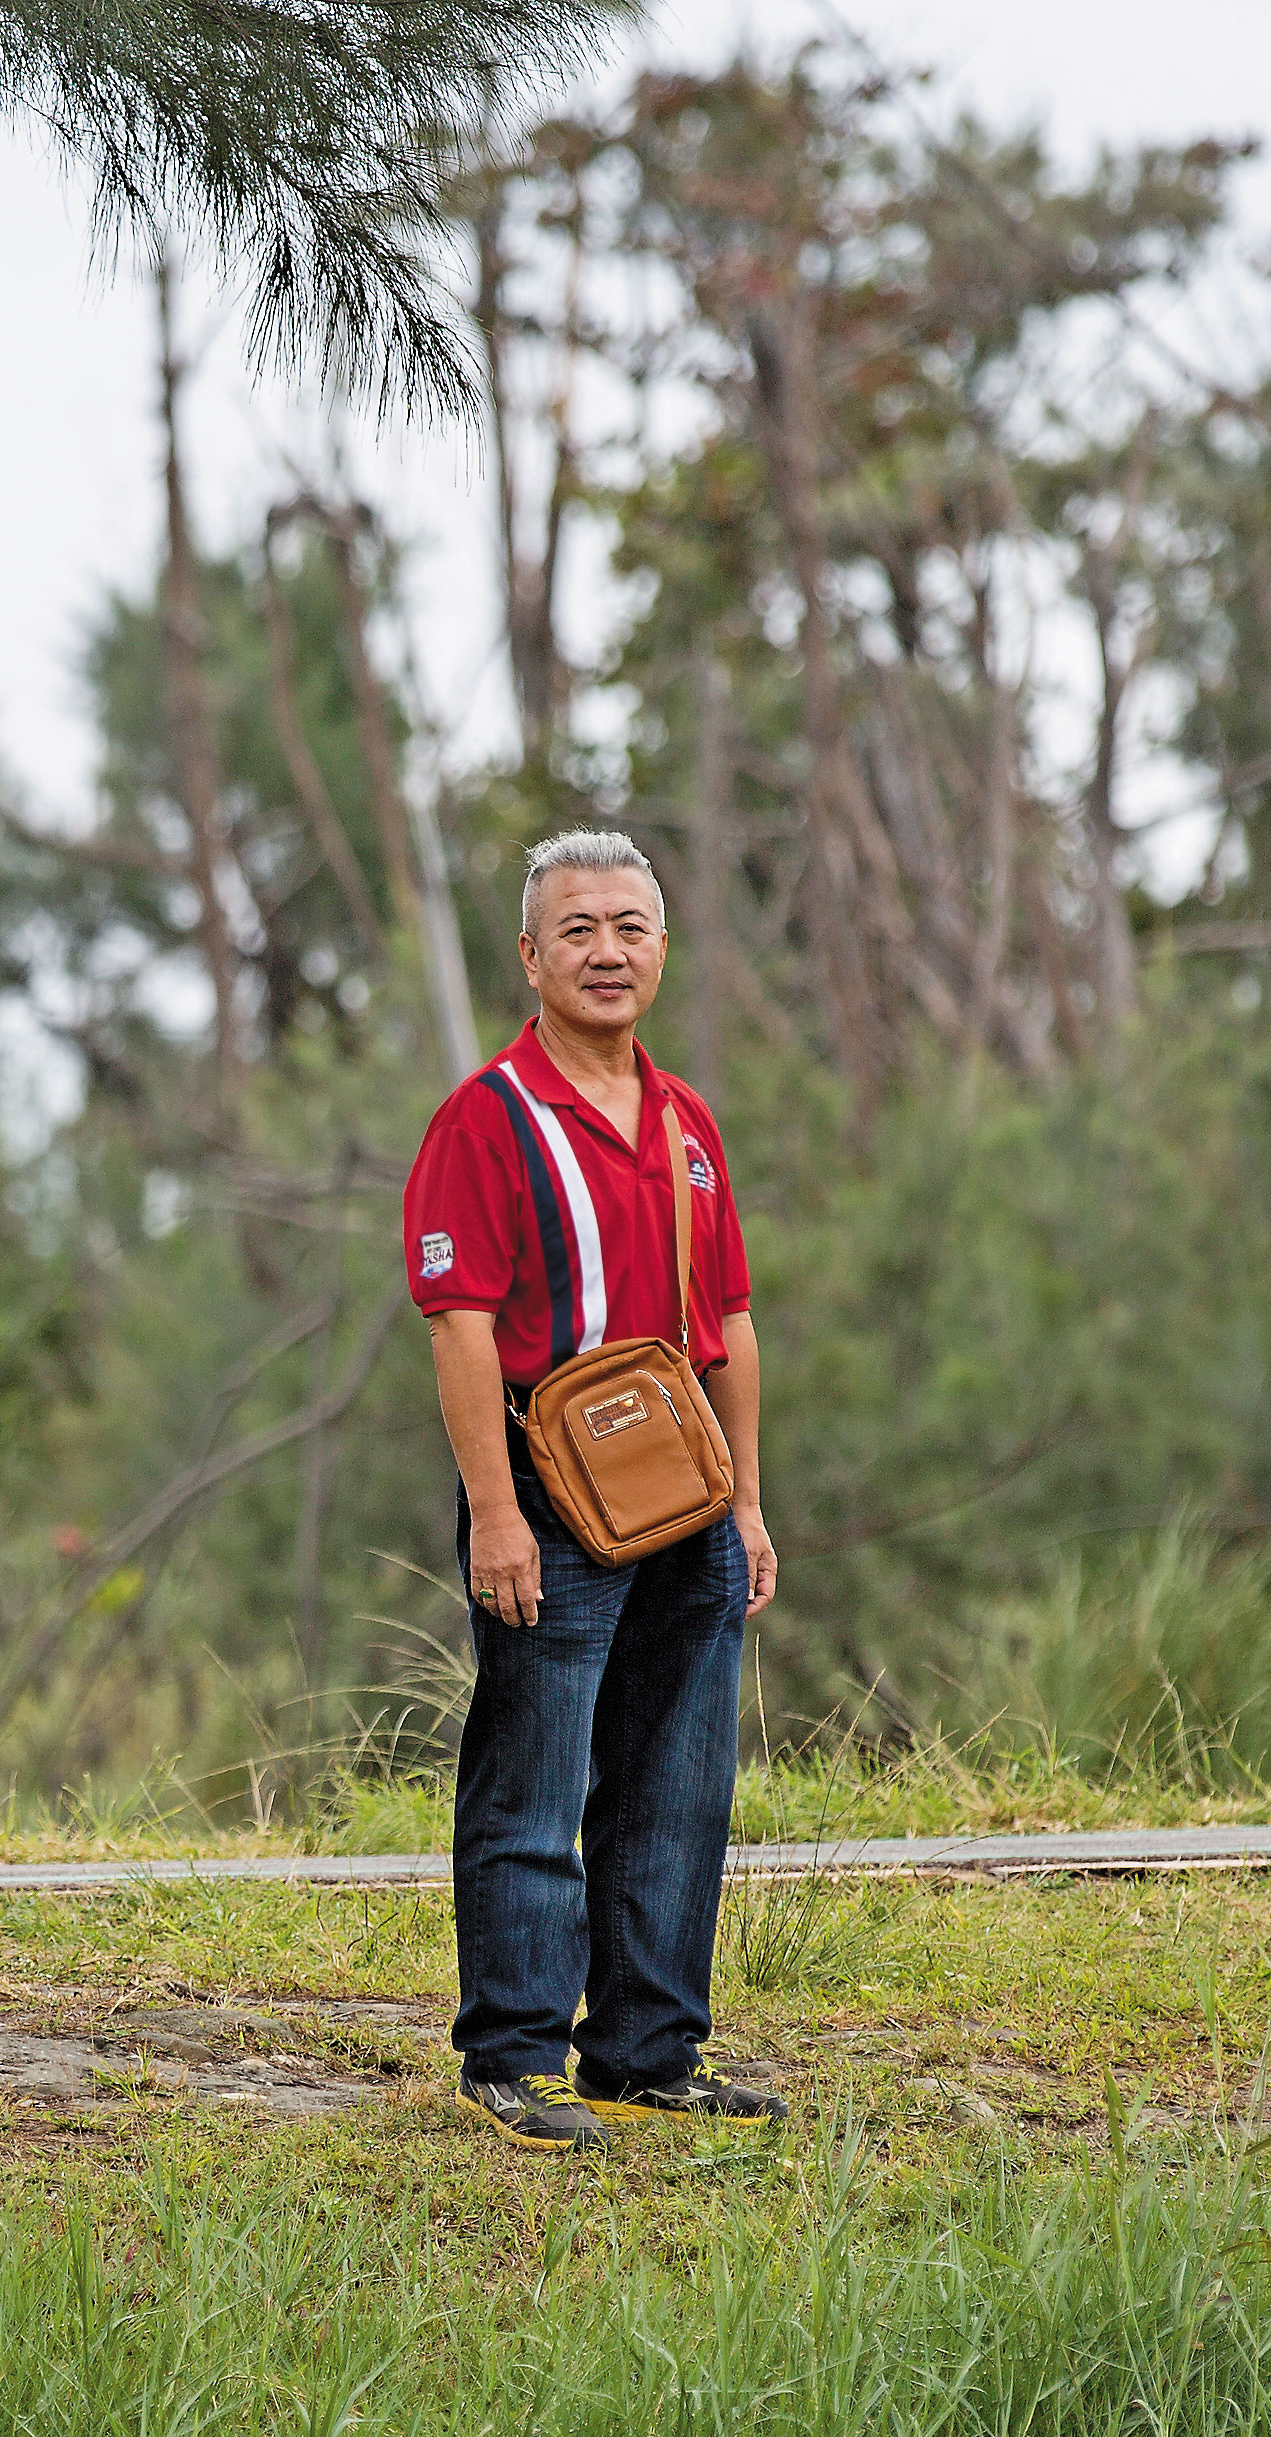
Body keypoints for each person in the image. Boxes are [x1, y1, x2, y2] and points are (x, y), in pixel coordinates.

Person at [397, 830, 783, 2150]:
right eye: (577, 929)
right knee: (534, 1784)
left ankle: (645, 2054)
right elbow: (456, 1327)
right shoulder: (486, 1118)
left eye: (628, 925)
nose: (605, 950)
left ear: (660, 947)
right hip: (549, 1504)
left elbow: (725, 1318)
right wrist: (494, 1512)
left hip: (688, 1503)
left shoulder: (683, 1123)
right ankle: (511, 2059)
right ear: (531, 955)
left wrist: (745, 1504)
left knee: (677, 1786)